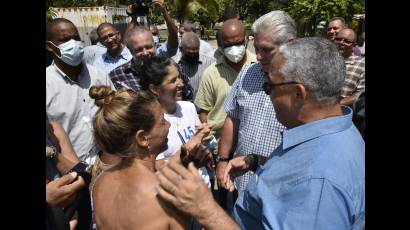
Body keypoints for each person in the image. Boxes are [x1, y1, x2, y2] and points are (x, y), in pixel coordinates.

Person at [156, 37, 365, 230]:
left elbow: (307, 180)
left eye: (270, 86)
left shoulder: (317, 184)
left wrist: (206, 210)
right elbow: (295, 173)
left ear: (298, 94)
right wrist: (257, 162)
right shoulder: (335, 130)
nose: (267, 94)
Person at [90, 86, 212, 229]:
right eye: (162, 121)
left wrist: (184, 161)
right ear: (142, 138)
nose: (169, 124)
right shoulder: (164, 195)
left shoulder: (100, 183)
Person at [215, 11, 296, 195]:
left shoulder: (303, 85)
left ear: (289, 45)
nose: (258, 56)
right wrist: (222, 160)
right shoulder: (247, 73)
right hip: (240, 181)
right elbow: (232, 118)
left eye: (266, 49)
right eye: (256, 48)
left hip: (280, 188)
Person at [194, 18, 256, 213]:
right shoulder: (212, 73)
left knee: (250, 195)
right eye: (228, 45)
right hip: (221, 148)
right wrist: (211, 144)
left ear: (246, 39)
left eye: (238, 43)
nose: (235, 49)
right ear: (220, 44)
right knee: (225, 196)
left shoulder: (258, 67)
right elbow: (203, 110)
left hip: (250, 146)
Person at [46, 18, 115, 165]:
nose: (73, 44)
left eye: (76, 38)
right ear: (50, 46)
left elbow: (117, 112)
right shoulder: (47, 83)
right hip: (70, 172)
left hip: (109, 162)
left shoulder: (99, 75)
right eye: (65, 40)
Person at [139, 56, 213, 184]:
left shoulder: (188, 107)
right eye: (173, 81)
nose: (181, 84)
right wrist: (189, 148)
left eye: (179, 77)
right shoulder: (151, 124)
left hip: (203, 186)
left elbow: (201, 146)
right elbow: (159, 168)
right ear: (155, 89)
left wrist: (205, 143)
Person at [172, 32, 215, 99]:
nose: (192, 56)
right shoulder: (172, 64)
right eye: (189, 53)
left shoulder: (210, 63)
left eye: (195, 53)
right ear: (180, 49)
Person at [335, 28, 365, 106]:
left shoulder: (361, 64)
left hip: (344, 113)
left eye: (346, 41)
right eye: (338, 39)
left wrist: (336, 106)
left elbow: (361, 94)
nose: (341, 42)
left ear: (354, 45)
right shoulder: (325, 59)